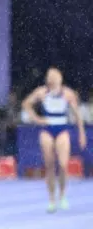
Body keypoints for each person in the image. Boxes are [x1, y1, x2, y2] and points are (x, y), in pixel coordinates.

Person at [21, 67, 86, 212]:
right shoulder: (42, 92)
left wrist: (81, 133)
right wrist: (36, 119)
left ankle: (62, 195)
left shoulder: (67, 94)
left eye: (55, 77)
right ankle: (51, 199)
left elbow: (77, 115)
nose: (52, 80)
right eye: (50, 77)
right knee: (49, 165)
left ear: (60, 79)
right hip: (47, 129)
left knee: (63, 165)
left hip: (62, 129)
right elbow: (25, 104)